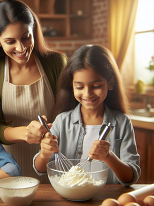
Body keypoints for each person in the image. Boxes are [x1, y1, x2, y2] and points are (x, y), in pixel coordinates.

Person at [0, 0, 67, 182]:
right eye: (10, 41)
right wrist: (25, 133)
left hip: (53, 159)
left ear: (34, 31)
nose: (21, 48)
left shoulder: (56, 63)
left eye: (26, 37)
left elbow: (67, 116)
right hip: (10, 162)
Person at [33, 44, 141, 186]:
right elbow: (40, 169)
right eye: (79, 87)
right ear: (71, 86)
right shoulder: (62, 121)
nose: (87, 94)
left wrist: (108, 156)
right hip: (69, 199)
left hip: (107, 199)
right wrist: (45, 154)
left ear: (110, 83)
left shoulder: (122, 122)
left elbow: (130, 177)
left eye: (96, 86)